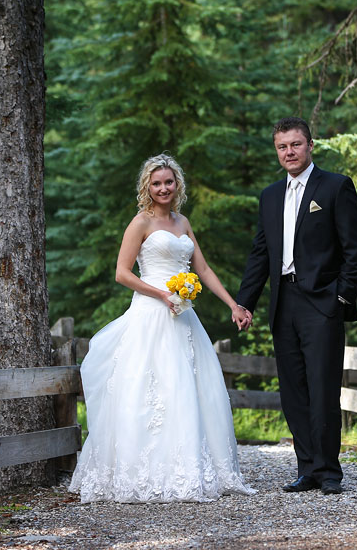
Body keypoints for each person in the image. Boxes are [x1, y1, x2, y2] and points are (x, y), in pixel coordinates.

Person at [69, 154, 255, 503]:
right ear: (147, 187)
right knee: (148, 389)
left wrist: (234, 305)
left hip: (183, 317)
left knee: (187, 389)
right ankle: (142, 472)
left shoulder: (183, 222)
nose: (163, 188)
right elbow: (122, 273)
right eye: (157, 183)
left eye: (169, 182)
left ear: (177, 184)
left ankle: (189, 469)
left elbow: (203, 268)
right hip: (151, 313)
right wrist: (162, 294)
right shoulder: (140, 222)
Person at [236, 117, 357, 495]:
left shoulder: (335, 187)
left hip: (323, 301)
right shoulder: (270, 195)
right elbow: (261, 254)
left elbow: (356, 248)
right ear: (276, 150)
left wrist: (343, 295)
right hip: (284, 303)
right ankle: (307, 468)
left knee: (323, 387)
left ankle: (329, 471)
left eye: (296, 144)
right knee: (294, 391)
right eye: (282, 146)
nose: (289, 152)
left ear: (310, 145)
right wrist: (245, 301)